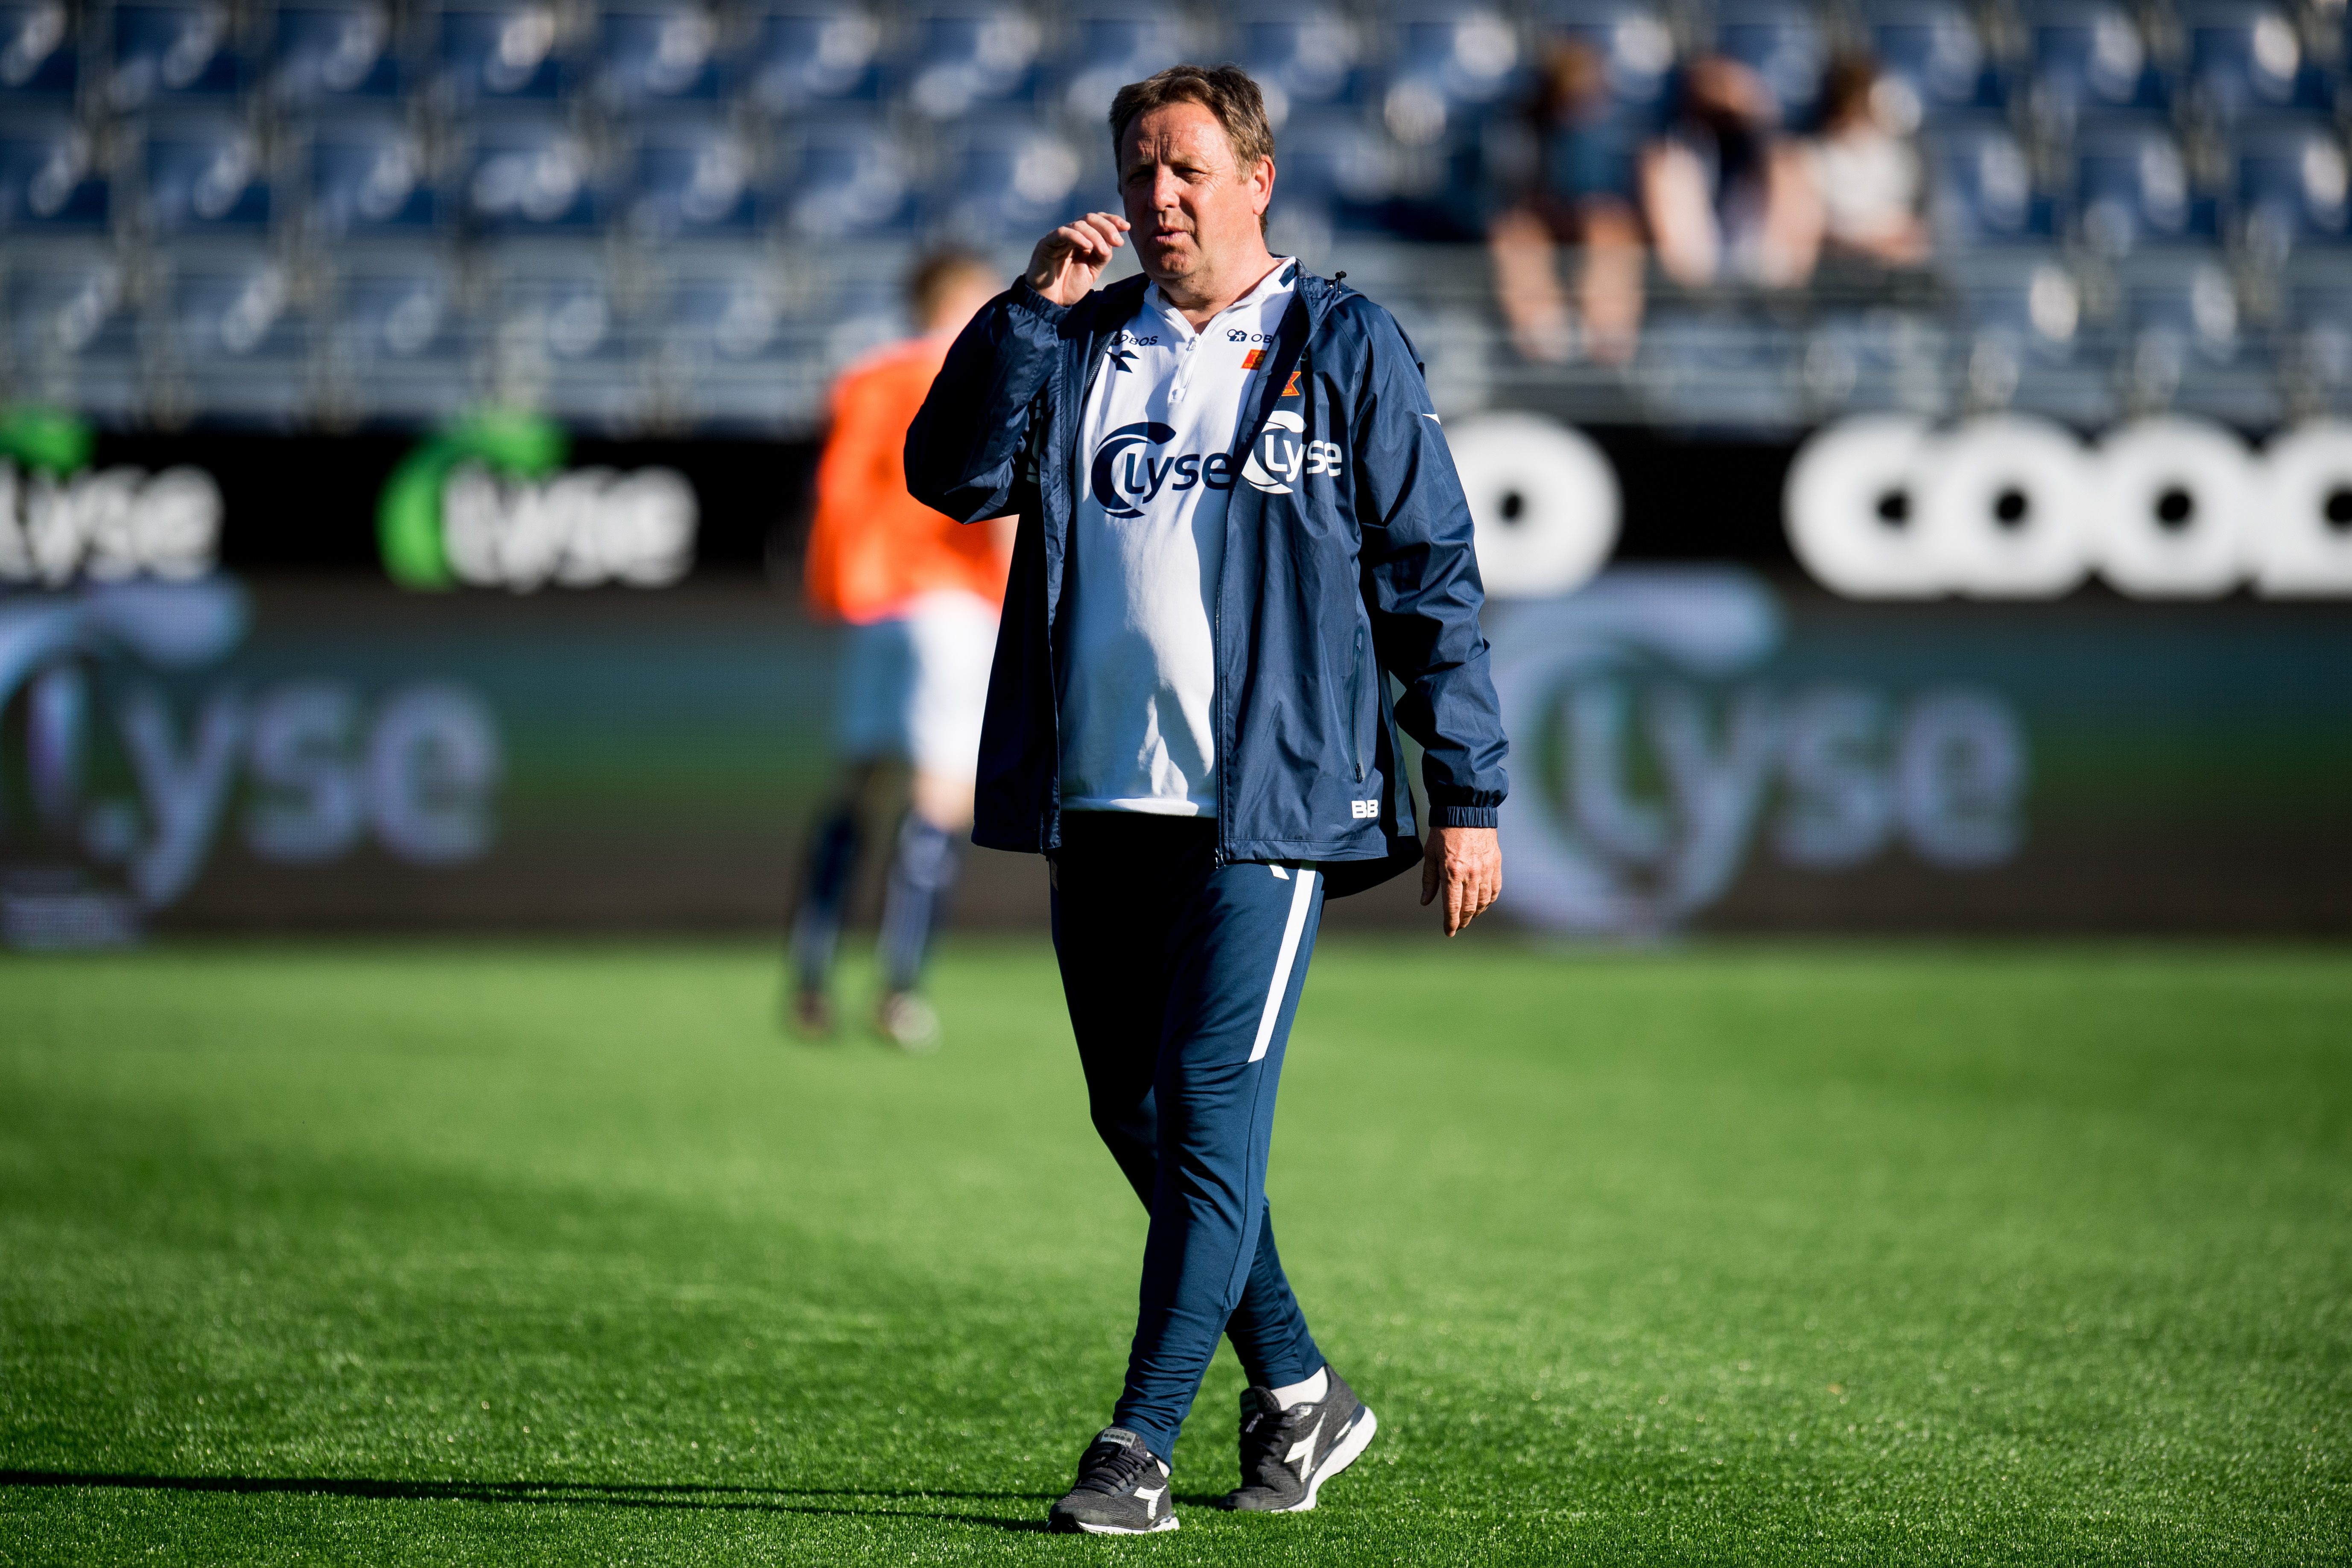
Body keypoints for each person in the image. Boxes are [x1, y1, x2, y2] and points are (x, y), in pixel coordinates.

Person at [906, 64, 1508, 1534]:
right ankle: (1300, 1390)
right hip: (1100, 793)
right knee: (1136, 1112)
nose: (1156, 195)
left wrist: (1467, 790)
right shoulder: (1080, 338)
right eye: (1137, 168)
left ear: (1256, 179)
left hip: (1268, 803)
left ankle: (1139, 1446)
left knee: (1207, 1103)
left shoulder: (1342, 340)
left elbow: (1429, 575)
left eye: (1184, 168)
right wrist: (1026, 310)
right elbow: (950, 476)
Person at [789, 250, 1013, 1051]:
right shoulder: (980, 370)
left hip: (874, 605)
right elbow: (997, 499)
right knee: (939, 797)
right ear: (961, 296)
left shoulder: (866, 379)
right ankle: (899, 990)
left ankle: (810, 976)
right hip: (949, 603)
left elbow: (835, 496)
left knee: (857, 785)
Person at [1489, 38, 1649, 365]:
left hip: (1598, 225)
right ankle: (1546, 341)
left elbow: (1606, 203)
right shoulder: (1523, 135)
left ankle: (1608, 341)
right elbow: (1510, 197)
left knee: (1609, 230)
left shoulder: (1616, 150)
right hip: (1538, 221)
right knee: (1516, 236)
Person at [1640, 54, 1823, 289]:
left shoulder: (1782, 162)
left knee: (1788, 166)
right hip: (1695, 281)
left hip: (1763, 283)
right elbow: (1679, 263)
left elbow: (1794, 261)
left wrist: (1753, 111)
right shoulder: (1668, 158)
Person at [1808, 54, 1933, 270]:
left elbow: (1913, 230)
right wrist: (1872, 244)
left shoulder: (1898, 157)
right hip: (1838, 273)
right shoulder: (1815, 158)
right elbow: (1817, 230)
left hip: (1894, 272)